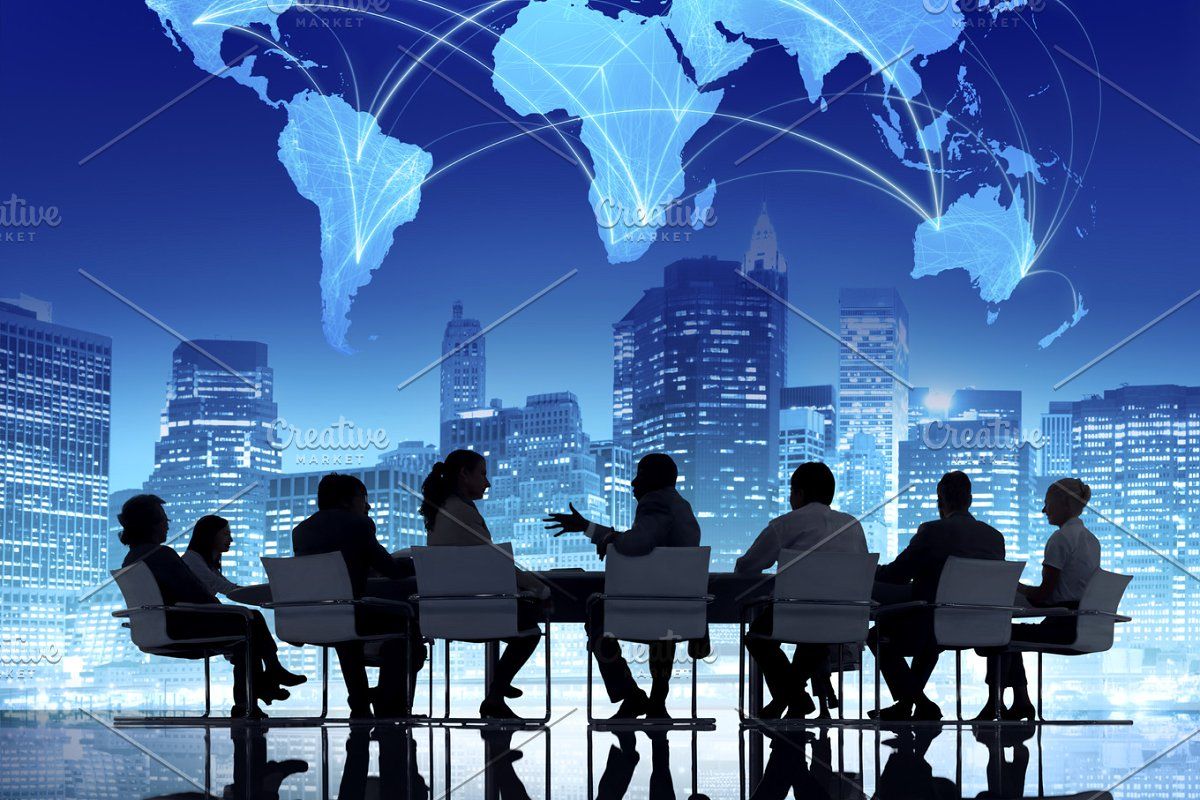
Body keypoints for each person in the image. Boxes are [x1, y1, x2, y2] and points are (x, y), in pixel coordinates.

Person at [544, 452, 702, 719]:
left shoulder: (656, 502)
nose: (632, 483)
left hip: (648, 606)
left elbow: (634, 543)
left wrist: (607, 540)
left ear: (652, 480)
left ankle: (632, 695)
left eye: (639, 475)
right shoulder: (681, 506)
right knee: (663, 626)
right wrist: (588, 527)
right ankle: (655, 700)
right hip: (679, 610)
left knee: (596, 617)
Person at [117, 495, 303, 718]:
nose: (167, 524)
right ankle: (260, 686)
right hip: (181, 627)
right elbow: (194, 593)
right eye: (163, 520)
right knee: (250, 620)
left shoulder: (131, 559)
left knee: (246, 630)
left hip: (158, 629)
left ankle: (254, 695)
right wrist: (221, 609)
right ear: (150, 524)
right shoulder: (161, 554)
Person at [867, 471, 1006, 721]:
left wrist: (869, 570)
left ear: (940, 501)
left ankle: (920, 702)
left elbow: (897, 575)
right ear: (970, 500)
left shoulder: (932, 531)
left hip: (933, 626)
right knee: (929, 633)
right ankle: (908, 704)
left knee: (878, 634)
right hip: (981, 628)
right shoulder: (995, 538)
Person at [420, 450, 547, 719]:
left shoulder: (441, 510)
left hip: (445, 614)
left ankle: (498, 689)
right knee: (531, 628)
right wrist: (537, 586)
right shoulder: (461, 512)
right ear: (464, 474)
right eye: (483, 474)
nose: (487, 483)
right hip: (477, 612)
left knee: (523, 618)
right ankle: (495, 693)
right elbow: (495, 563)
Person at [735, 461, 868, 719]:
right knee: (814, 639)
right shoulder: (854, 525)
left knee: (757, 637)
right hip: (846, 619)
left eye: (792, 491)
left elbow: (748, 566)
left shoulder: (787, 524)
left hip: (797, 615)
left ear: (801, 493)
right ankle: (794, 700)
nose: (789, 498)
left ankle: (792, 698)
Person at [292, 473, 425, 719]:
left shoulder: (301, 531)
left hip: (314, 616)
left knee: (345, 623)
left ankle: (362, 702)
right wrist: (419, 562)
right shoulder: (358, 524)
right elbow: (392, 570)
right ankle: (388, 703)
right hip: (350, 613)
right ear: (346, 500)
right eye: (364, 498)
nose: (368, 505)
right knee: (405, 624)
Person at [975, 478, 1100, 721]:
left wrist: (1015, 587)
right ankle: (1021, 702)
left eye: (1047, 503)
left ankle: (995, 704)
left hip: (1061, 626)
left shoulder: (1060, 540)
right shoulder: (1091, 540)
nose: (1044, 510)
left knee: (998, 634)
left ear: (1064, 503)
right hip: (1083, 624)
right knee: (1009, 634)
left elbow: (1045, 595)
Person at [182, 515, 242, 597]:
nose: (231, 539)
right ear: (210, 534)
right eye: (226, 534)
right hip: (194, 609)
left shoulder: (208, 565)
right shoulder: (191, 559)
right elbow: (221, 585)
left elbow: (227, 586)